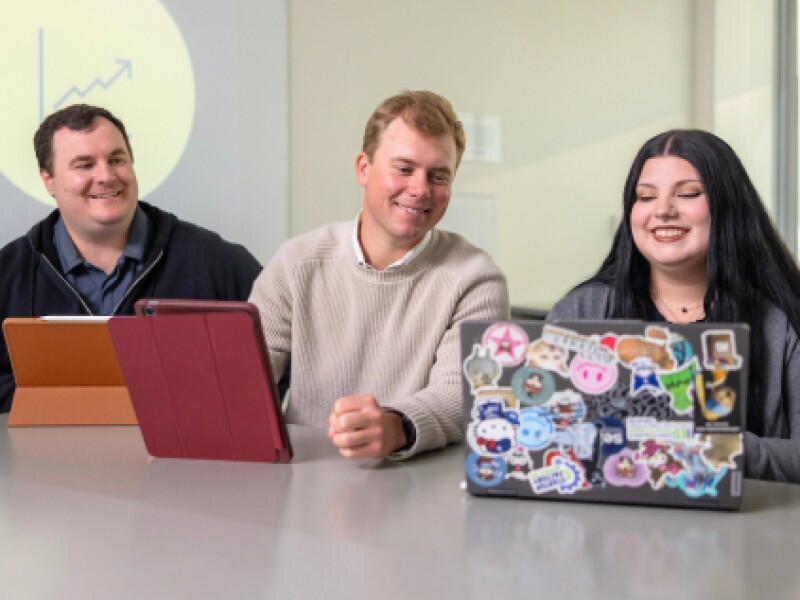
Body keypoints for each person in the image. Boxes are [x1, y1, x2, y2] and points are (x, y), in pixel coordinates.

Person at [249, 90, 509, 460]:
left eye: (438, 176)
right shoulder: (297, 263)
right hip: (303, 477)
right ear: (363, 168)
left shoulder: (477, 280)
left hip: (420, 487)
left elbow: (463, 393)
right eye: (403, 169)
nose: (420, 190)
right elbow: (245, 380)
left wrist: (398, 425)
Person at [548, 129, 800, 483]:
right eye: (646, 197)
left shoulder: (780, 321)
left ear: (728, 206)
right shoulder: (581, 311)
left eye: (688, 194)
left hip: (748, 526)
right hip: (607, 524)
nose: (663, 211)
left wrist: (724, 448)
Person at [0, 104, 263, 412]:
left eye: (116, 160)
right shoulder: (8, 273)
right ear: (48, 180)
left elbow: (279, 358)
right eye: (84, 165)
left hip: (184, 457)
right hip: (43, 457)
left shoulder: (217, 262)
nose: (106, 176)